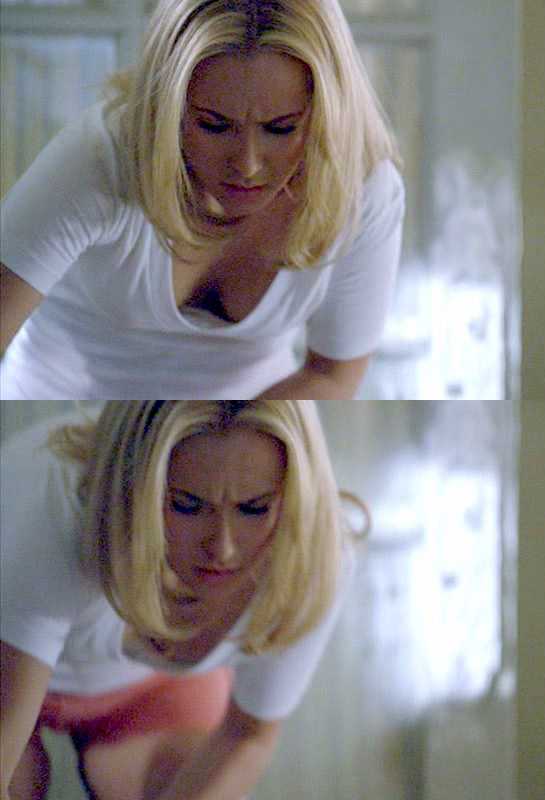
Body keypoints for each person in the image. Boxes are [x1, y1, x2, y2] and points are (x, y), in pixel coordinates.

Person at [0, 0, 404, 399]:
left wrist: (223, 429)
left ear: (325, 115)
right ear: (167, 109)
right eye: (214, 125)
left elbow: (332, 376)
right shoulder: (98, 161)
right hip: (58, 410)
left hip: (250, 421)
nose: (247, 165)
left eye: (280, 128)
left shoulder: (361, 187)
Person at [0, 401, 356, 800]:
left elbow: (247, 734)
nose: (222, 549)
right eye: (187, 505)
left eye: (253, 508)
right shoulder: (55, 508)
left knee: (177, 776)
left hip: (146, 689)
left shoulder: (312, 556)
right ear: (132, 488)